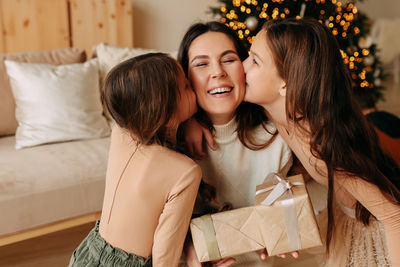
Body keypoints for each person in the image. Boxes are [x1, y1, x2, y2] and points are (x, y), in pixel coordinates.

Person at [243, 18, 400, 266]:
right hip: (344, 217)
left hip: (377, 228)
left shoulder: (322, 145)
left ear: (286, 83)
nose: (242, 67)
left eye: (254, 61)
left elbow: (394, 215)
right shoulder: (274, 111)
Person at [177, 21, 295, 267]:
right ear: (185, 78)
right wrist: (188, 246)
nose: (218, 72)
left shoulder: (278, 139)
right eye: (201, 64)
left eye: (229, 59)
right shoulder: (172, 142)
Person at [68, 53, 202, 267]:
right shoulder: (185, 171)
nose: (193, 88)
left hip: (88, 252)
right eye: (186, 86)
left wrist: (189, 121)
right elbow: (164, 255)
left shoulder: (120, 132)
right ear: (165, 112)